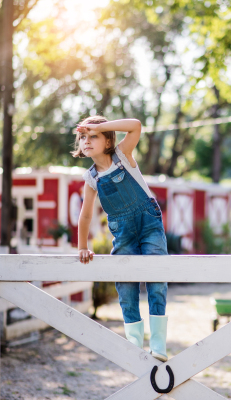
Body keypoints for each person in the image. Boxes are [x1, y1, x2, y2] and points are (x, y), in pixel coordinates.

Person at [73, 115, 169, 362]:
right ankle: (134, 343)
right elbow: (84, 217)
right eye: (83, 136)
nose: (87, 140)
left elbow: (136, 125)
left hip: (149, 226)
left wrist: (100, 126)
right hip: (123, 235)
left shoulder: (122, 155)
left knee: (157, 281)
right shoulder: (91, 178)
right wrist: (83, 247)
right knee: (125, 287)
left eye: (94, 136)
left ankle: (158, 344)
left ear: (107, 141)